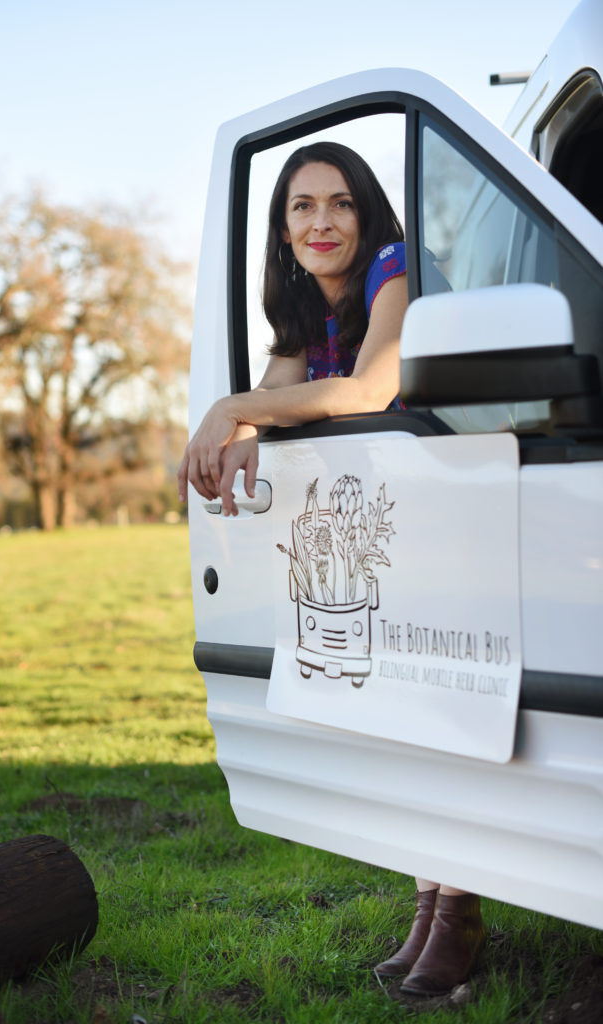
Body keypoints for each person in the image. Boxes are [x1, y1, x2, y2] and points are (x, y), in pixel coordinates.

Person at [177, 141, 486, 994]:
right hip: (394, 529)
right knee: (407, 719)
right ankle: (431, 902)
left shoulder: (397, 268)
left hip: (471, 511)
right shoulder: (305, 310)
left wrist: (232, 409)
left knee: (446, 713)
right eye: (302, 207)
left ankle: (459, 909)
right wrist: (241, 427)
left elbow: (367, 390)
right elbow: (282, 392)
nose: (322, 221)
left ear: (367, 213)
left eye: (339, 203)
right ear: (282, 229)